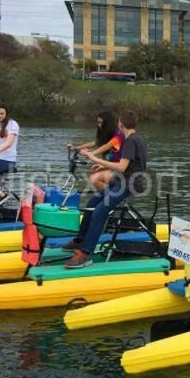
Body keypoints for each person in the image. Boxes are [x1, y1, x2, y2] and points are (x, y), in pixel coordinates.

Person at [62, 110, 148, 268]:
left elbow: (122, 167)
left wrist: (95, 158)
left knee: (100, 211)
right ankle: (80, 241)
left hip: (130, 184)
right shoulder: (136, 138)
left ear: (121, 125)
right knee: (93, 202)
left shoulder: (130, 141)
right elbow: (126, 165)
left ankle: (86, 254)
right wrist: (101, 164)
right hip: (122, 180)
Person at [67, 111, 124, 192]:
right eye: (98, 122)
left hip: (119, 171)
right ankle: (106, 194)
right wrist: (76, 148)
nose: (99, 125)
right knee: (93, 172)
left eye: (101, 122)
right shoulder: (106, 135)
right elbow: (94, 143)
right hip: (109, 167)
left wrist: (91, 153)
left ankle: (112, 196)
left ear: (107, 123)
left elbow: (107, 146)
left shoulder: (118, 135)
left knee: (94, 179)